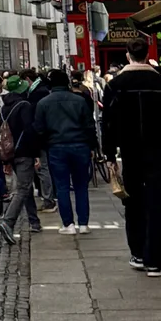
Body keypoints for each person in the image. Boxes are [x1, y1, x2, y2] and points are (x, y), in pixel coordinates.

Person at [101, 37, 161, 275]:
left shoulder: (115, 85)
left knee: (133, 201)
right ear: (148, 54)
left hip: (129, 151)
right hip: (158, 149)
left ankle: (138, 253)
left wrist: (109, 154)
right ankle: (155, 261)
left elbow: (106, 122)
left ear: (128, 56)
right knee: (158, 204)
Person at [33, 69, 98, 233]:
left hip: (56, 147)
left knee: (61, 186)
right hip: (80, 145)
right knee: (81, 186)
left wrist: (40, 150)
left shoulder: (43, 103)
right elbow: (89, 125)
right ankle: (83, 223)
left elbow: (39, 130)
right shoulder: (80, 100)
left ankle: (68, 224)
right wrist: (93, 146)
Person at [0, 87, 42, 243]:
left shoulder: (3, 108)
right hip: (24, 152)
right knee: (23, 188)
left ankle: (34, 221)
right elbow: (30, 130)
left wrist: (6, 160)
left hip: (10, 153)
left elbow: (1, 134)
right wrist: (36, 153)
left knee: (26, 187)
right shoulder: (25, 106)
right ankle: (8, 222)